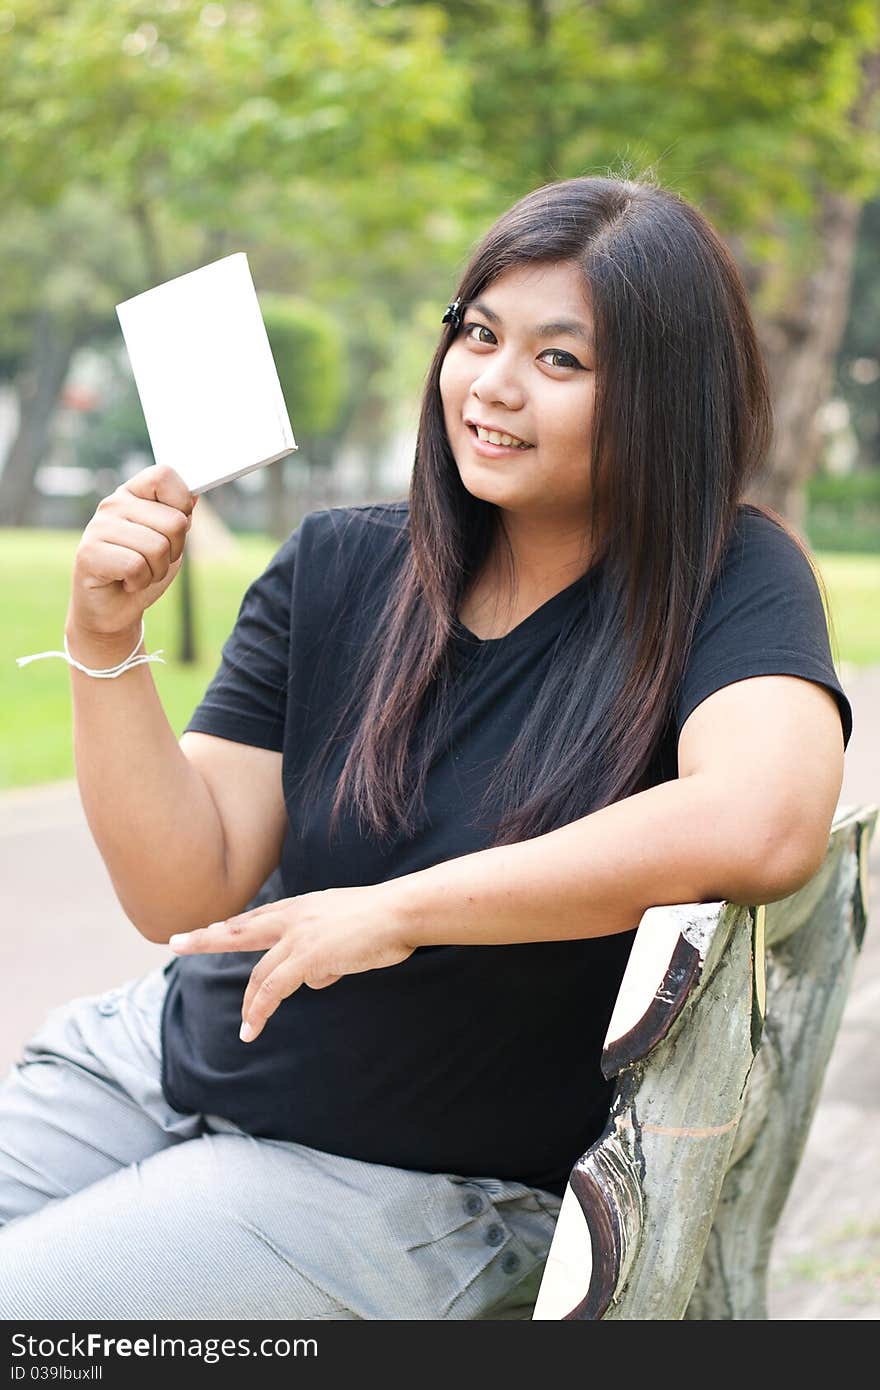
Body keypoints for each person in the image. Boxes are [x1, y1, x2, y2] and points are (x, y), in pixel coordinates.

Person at [1, 173, 853, 1321]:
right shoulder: (340, 564)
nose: (492, 386)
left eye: (561, 360)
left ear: (662, 396)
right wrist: (103, 635)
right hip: (152, 1063)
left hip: (396, 1182)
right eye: (478, 333)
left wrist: (400, 908)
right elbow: (179, 888)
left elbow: (761, 818)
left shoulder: (729, 579)